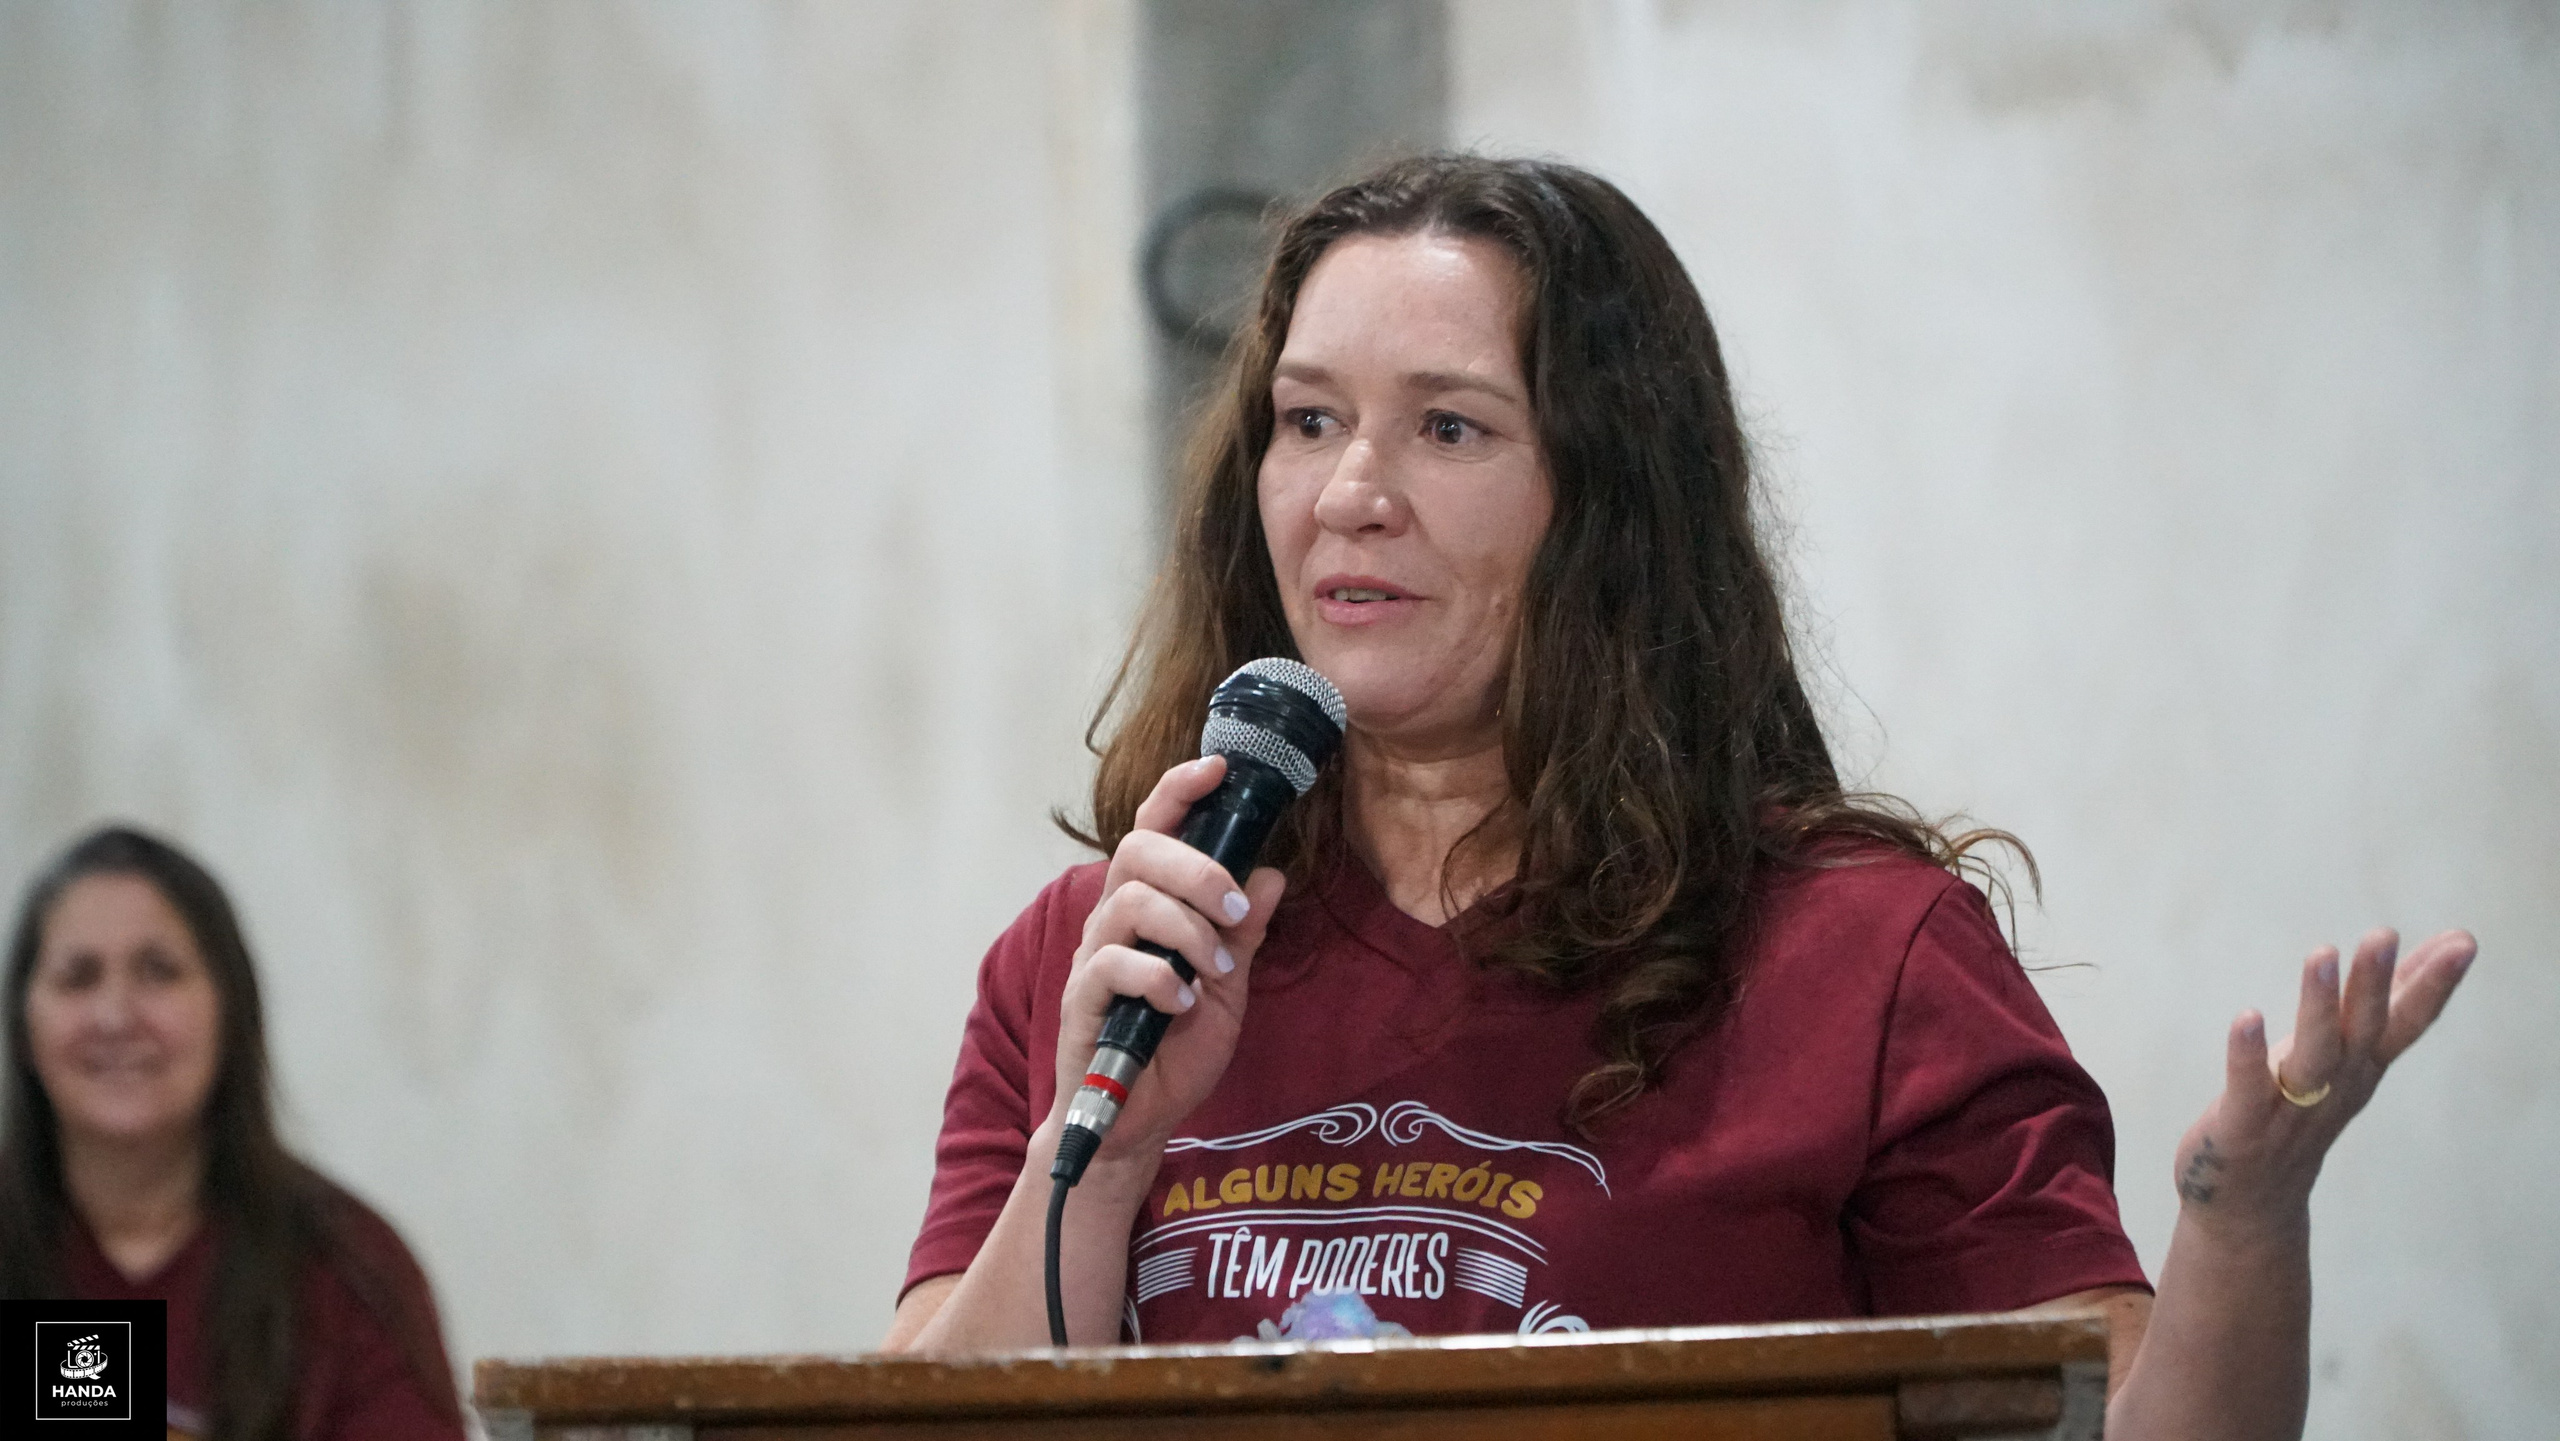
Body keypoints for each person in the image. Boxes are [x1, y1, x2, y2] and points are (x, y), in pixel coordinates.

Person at [882, 155, 2474, 1440]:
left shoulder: (1859, 956)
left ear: (1611, 503)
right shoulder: (1116, 946)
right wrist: (1094, 1155)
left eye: (1447, 427)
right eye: (1309, 422)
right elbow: (896, 1428)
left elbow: (2115, 1429)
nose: (1351, 495)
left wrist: (2242, 1223)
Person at [0, 825, 465, 1441]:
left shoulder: (347, 1268)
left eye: (159, 972)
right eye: (78, 977)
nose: (114, 1016)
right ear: (24, 1022)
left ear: (231, 1010)